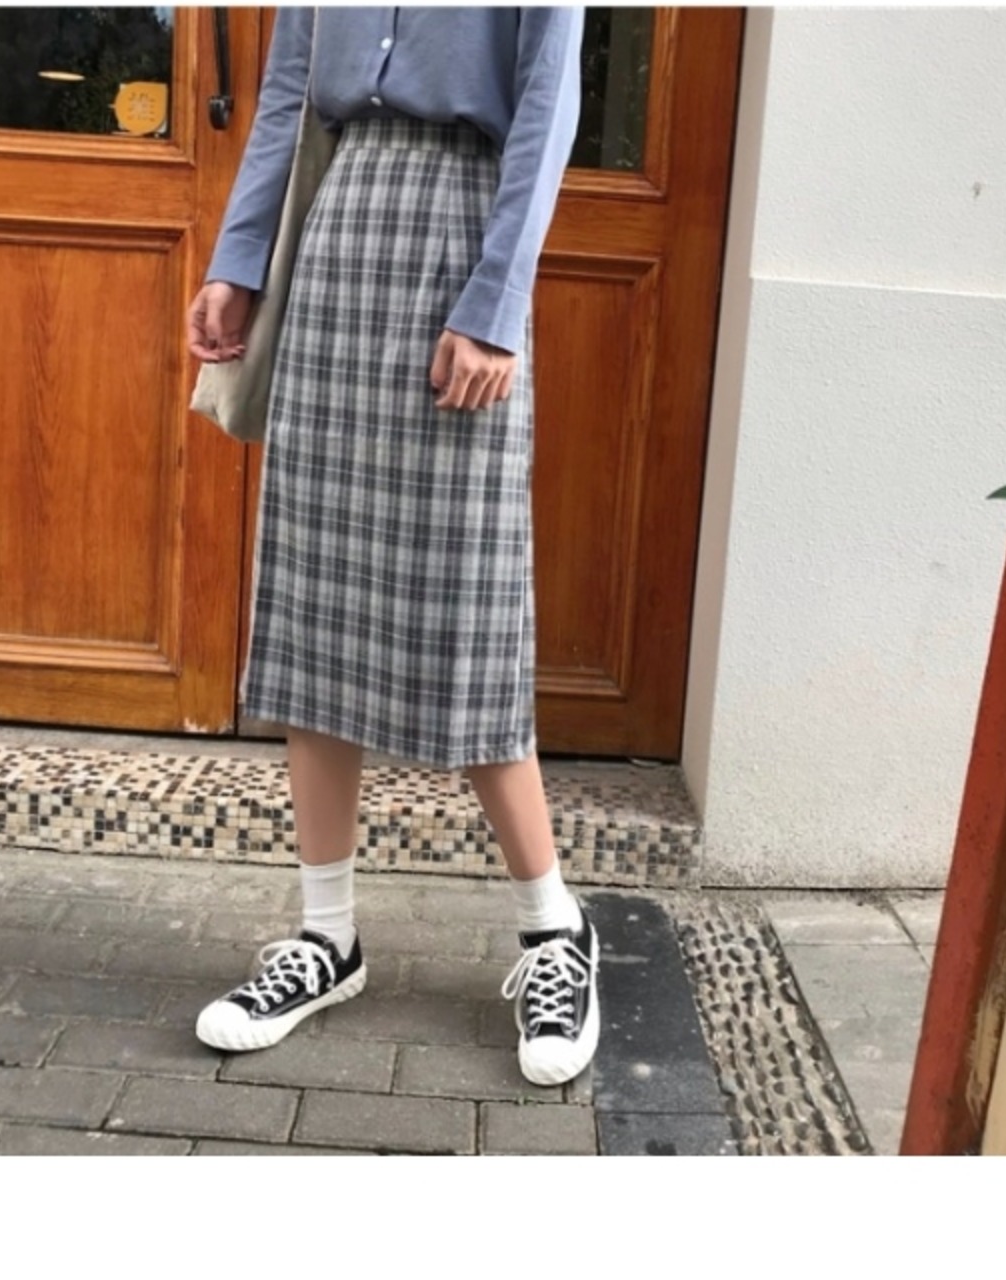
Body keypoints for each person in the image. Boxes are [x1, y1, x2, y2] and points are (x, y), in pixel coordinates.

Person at [184, 7, 596, 1087]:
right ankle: (326, 935)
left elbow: (547, 106)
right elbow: (286, 98)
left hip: (463, 239)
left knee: (469, 605)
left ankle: (554, 927)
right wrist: (239, 260)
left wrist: (496, 302)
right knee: (314, 600)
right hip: (338, 240)